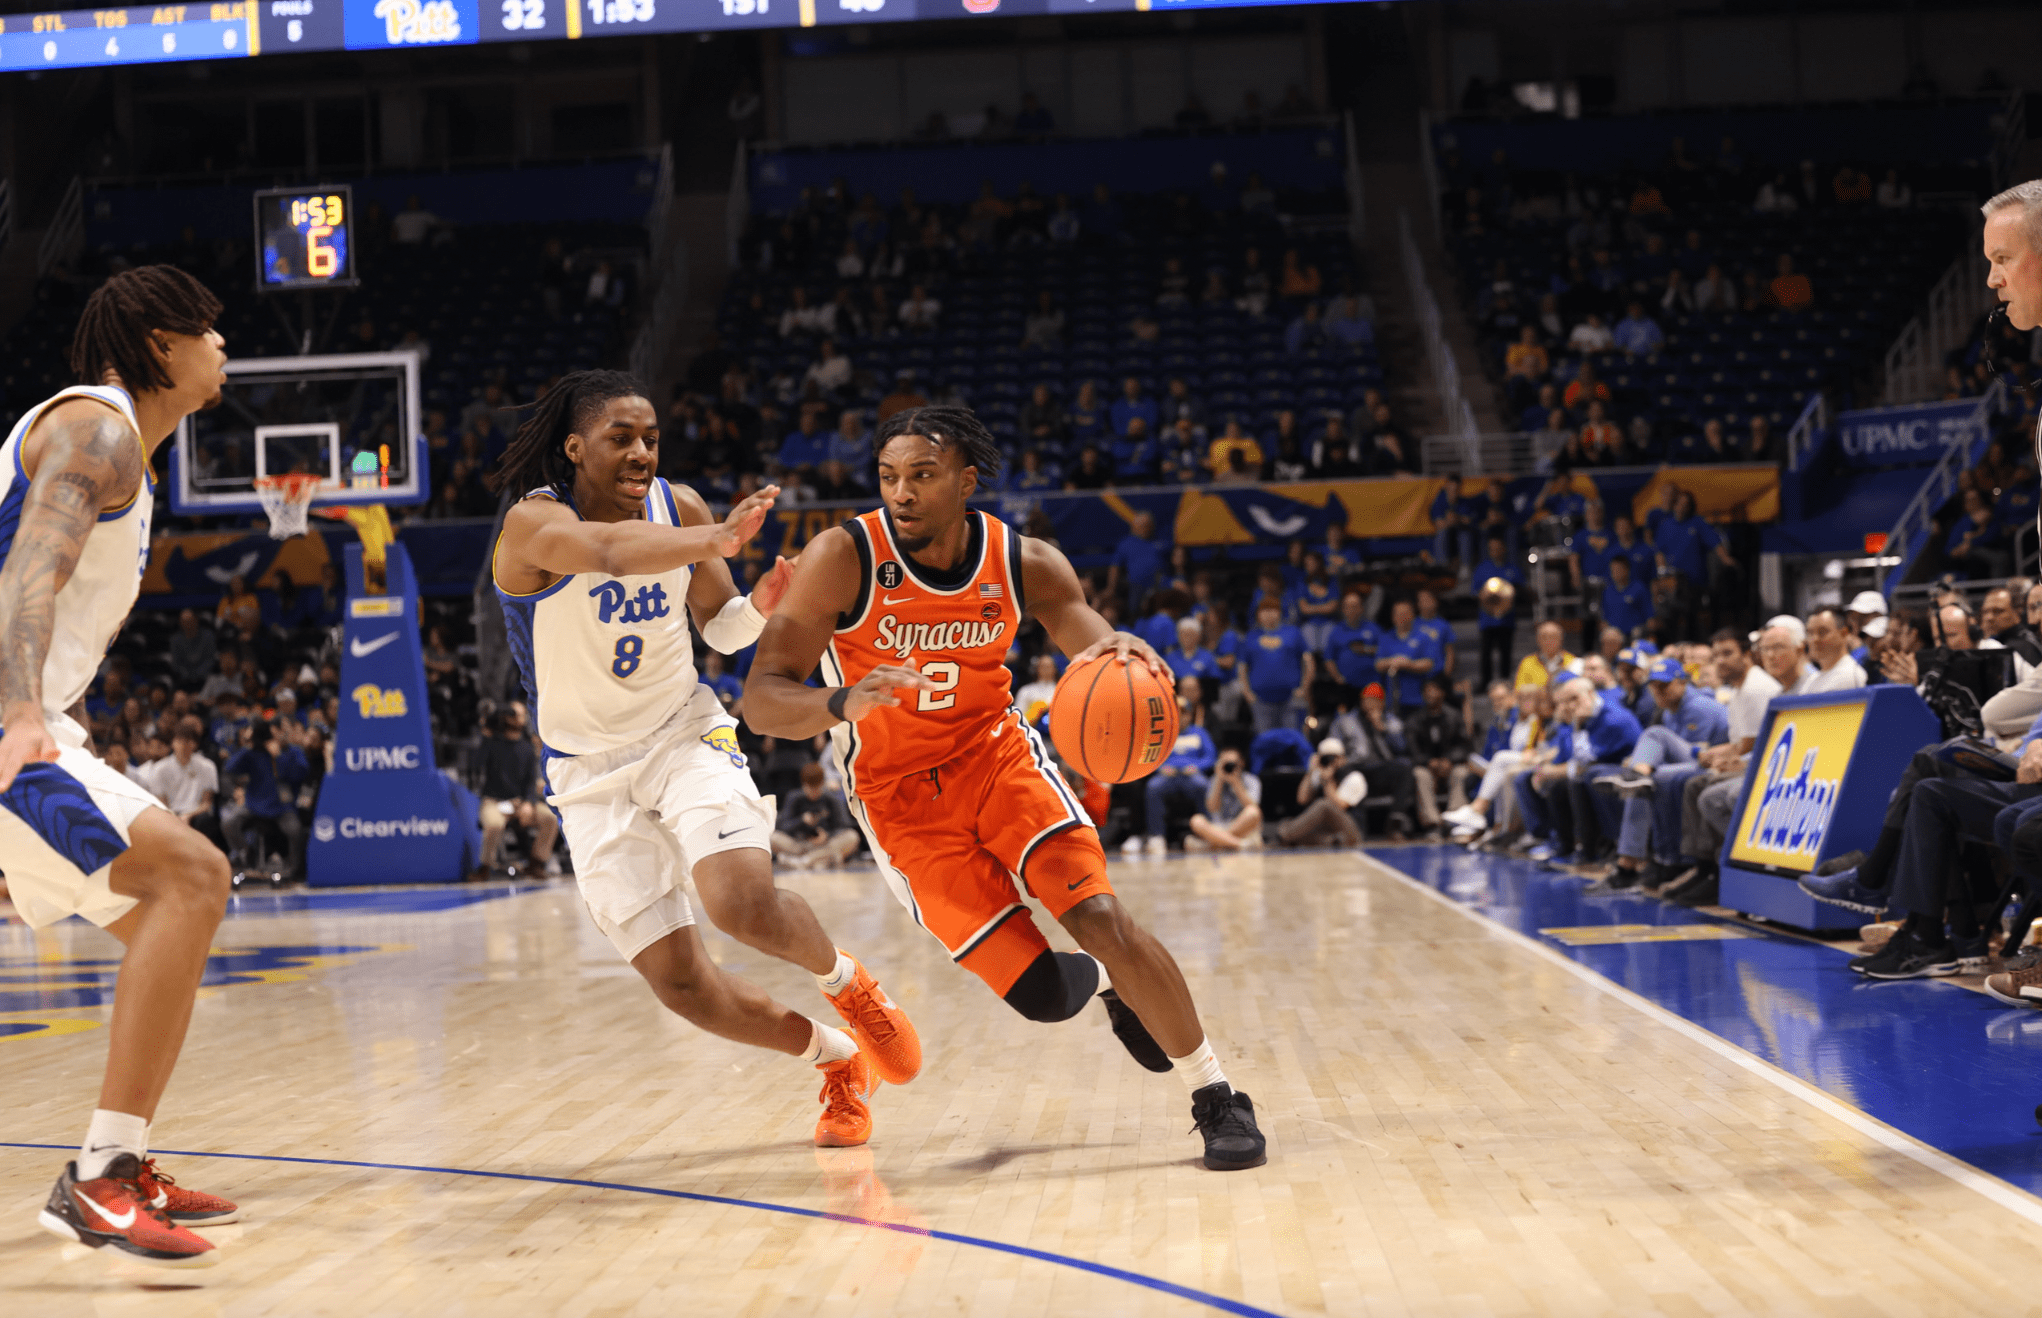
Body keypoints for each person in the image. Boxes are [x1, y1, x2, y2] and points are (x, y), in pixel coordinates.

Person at [743, 404, 1267, 1171]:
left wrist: (1126, 658)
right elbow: (761, 699)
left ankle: (1217, 1096)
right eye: (889, 477)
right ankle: (1108, 986)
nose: (902, 493)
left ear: (966, 481)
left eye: (922, 475)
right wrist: (841, 701)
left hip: (998, 760)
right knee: (1044, 995)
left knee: (1099, 915)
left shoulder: (1025, 562)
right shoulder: (842, 558)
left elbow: (1099, 648)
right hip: (899, 801)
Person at [486, 368, 918, 1150]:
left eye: (651, 438)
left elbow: (719, 626)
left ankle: (850, 985)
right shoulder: (532, 524)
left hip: (682, 734)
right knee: (682, 986)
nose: (642, 452)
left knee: (741, 904)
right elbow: (608, 552)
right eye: (621, 438)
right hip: (587, 774)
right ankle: (838, 1060)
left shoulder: (679, 506)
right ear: (575, 447)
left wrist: (758, 605)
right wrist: (715, 540)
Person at [0, 266, 242, 1266]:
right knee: (193, 877)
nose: (223, 346)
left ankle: (121, 1162)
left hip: (36, 716)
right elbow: (28, 571)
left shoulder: (122, 449)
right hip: (5, 716)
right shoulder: (97, 432)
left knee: (166, 923)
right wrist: (22, 710)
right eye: (208, 330)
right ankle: (100, 1178)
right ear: (159, 346)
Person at [1140, 674, 1219, 855]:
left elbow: (1211, 757)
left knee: (1203, 785)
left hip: (1192, 774)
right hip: (1168, 775)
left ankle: (1207, 832)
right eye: (1175, 712)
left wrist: (1197, 767)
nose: (1179, 717)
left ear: (1189, 715)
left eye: (1183, 713)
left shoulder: (1200, 733)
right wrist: (1161, 768)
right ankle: (1157, 836)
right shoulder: (1162, 734)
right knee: (1152, 787)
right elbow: (1150, 757)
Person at [475, 706, 559, 875]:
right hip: (496, 802)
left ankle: (536, 863)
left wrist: (528, 803)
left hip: (519, 803)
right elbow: (476, 764)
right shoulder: (493, 743)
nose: (518, 717)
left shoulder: (527, 748)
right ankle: (485, 867)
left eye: (521, 714)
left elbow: (530, 781)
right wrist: (485, 735)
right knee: (494, 823)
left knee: (550, 818)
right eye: (513, 714)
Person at [1240, 595, 1312, 733]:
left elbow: (1308, 662)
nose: (1268, 614)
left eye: (1272, 610)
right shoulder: (1250, 637)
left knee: (1291, 738)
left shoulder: (1293, 633)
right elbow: (1242, 667)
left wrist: (1304, 688)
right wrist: (1247, 692)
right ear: (1258, 614)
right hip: (1260, 700)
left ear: (1279, 612)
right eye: (1264, 610)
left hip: (1290, 698)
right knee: (1265, 740)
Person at [772, 762, 861, 870]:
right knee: (772, 837)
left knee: (852, 836)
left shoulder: (831, 799)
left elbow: (843, 826)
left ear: (822, 784)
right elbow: (783, 826)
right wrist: (801, 821)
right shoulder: (794, 798)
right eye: (810, 788)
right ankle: (820, 861)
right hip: (800, 844)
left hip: (825, 844)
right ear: (803, 784)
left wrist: (826, 835)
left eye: (817, 788)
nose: (813, 792)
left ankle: (803, 861)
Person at [1190, 748, 1264, 852]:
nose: (1229, 766)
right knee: (1196, 820)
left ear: (1242, 763)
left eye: (1232, 763)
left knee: (1253, 812)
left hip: (1243, 827)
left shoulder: (1252, 780)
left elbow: (1253, 807)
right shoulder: (1214, 780)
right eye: (1225, 763)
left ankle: (1215, 843)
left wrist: (1236, 783)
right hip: (1218, 826)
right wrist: (1219, 781)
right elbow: (1212, 808)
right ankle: (1240, 844)